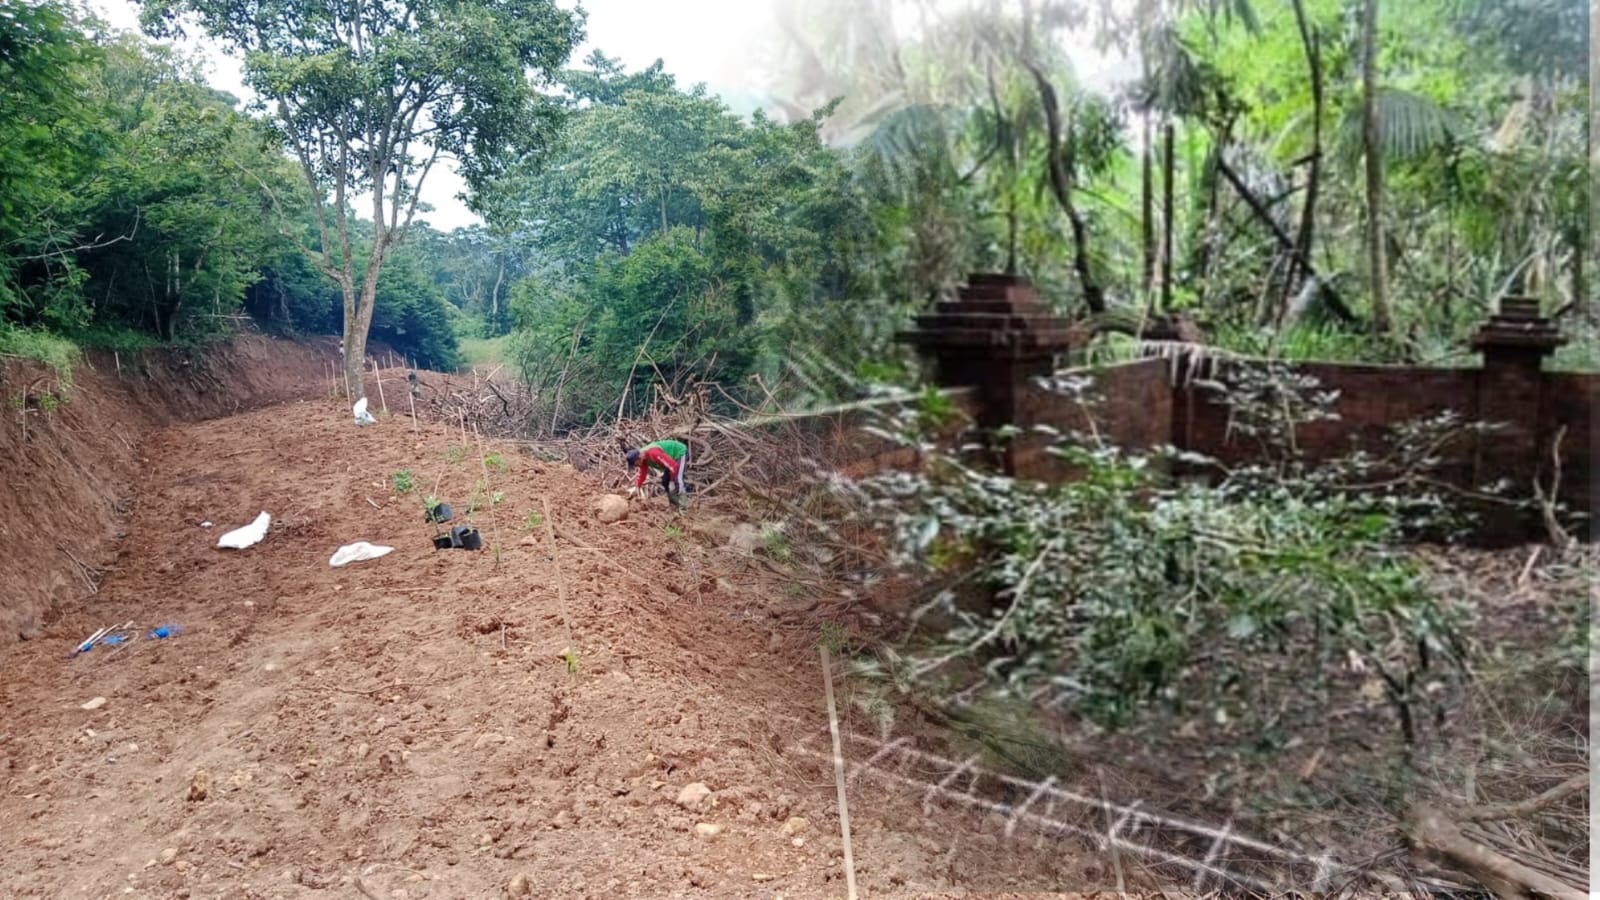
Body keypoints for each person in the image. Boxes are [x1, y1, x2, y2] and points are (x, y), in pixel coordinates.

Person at [624, 439, 689, 507]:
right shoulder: (642, 459)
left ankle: (684, 504)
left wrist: (672, 481)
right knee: (665, 481)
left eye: (636, 464)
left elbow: (674, 466)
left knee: (678, 479)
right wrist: (637, 486)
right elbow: (642, 473)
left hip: (679, 453)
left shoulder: (654, 453)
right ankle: (675, 503)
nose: (636, 466)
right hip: (669, 459)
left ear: (639, 458)